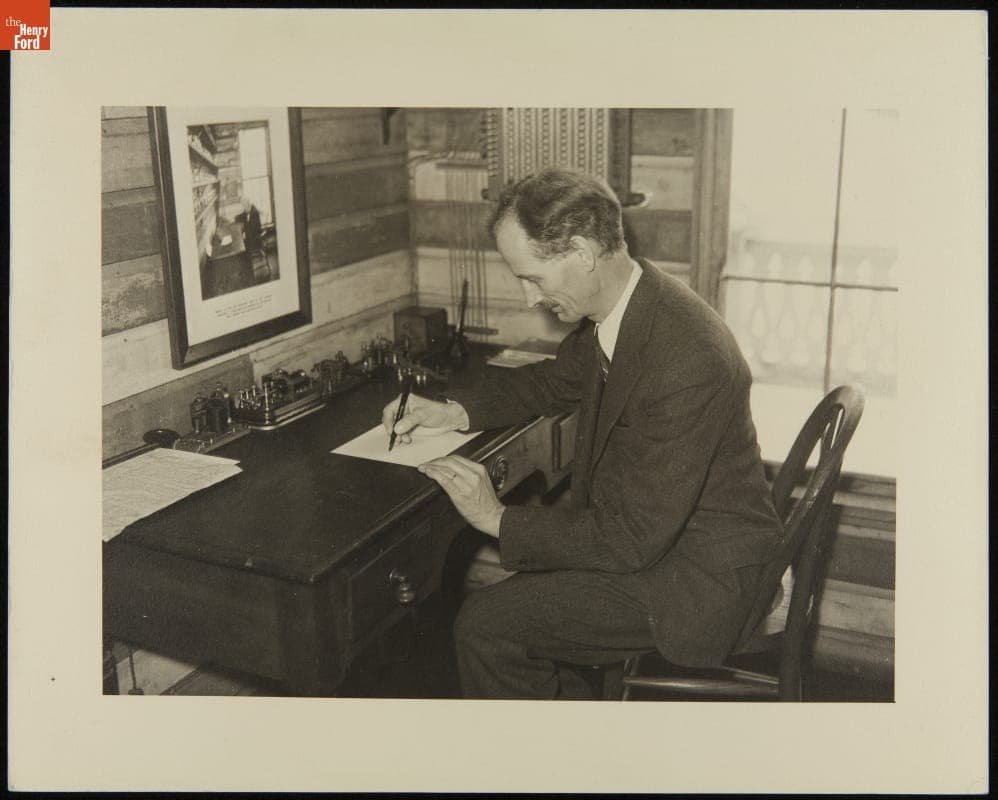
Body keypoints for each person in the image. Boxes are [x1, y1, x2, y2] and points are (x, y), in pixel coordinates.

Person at [382, 168, 782, 699]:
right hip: (658, 539)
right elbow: (552, 382)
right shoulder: (626, 310)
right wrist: (454, 411)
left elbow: (632, 540)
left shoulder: (688, 358)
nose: (529, 298)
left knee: (486, 626)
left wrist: (496, 518)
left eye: (533, 278)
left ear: (582, 252)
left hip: (696, 577)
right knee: (509, 611)